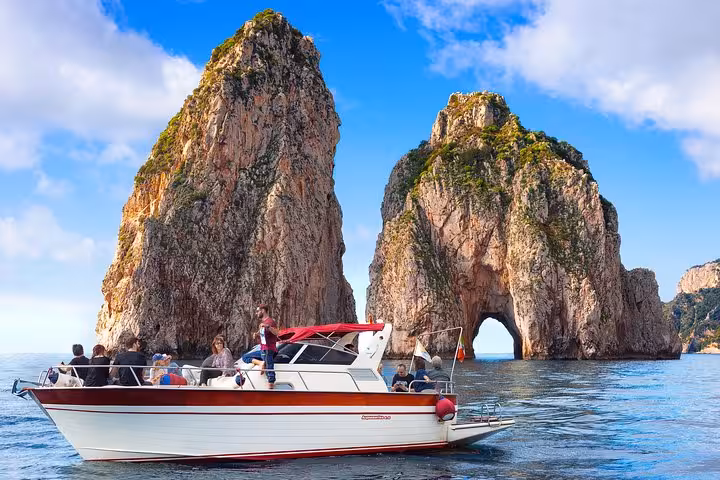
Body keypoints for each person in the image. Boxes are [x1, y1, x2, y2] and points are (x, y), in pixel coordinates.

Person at [255, 304, 279, 389]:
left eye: (257, 311)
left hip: (269, 348)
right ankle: (262, 363)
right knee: (245, 357)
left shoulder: (270, 322)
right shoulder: (262, 323)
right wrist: (256, 335)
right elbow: (262, 336)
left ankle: (271, 382)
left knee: (269, 364)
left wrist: (268, 326)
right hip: (262, 348)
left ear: (263, 310)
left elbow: (277, 332)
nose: (256, 313)